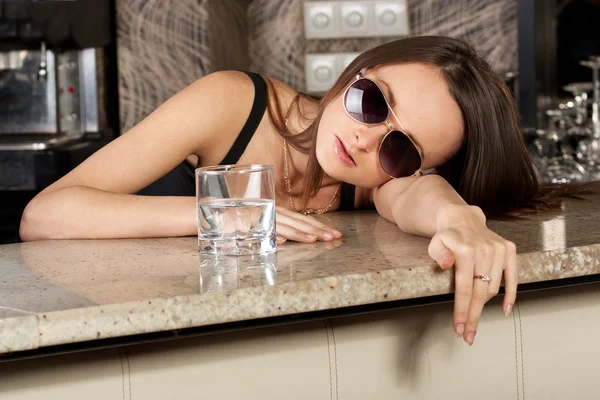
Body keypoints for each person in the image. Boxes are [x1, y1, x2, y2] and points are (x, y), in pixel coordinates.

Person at [17, 36, 587, 346]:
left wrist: (462, 221)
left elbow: (418, 196)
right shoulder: (231, 102)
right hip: (96, 329)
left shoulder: (374, 185)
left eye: (400, 149)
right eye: (372, 101)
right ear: (354, 73)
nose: (365, 141)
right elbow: (45, 214)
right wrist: (221, 214)